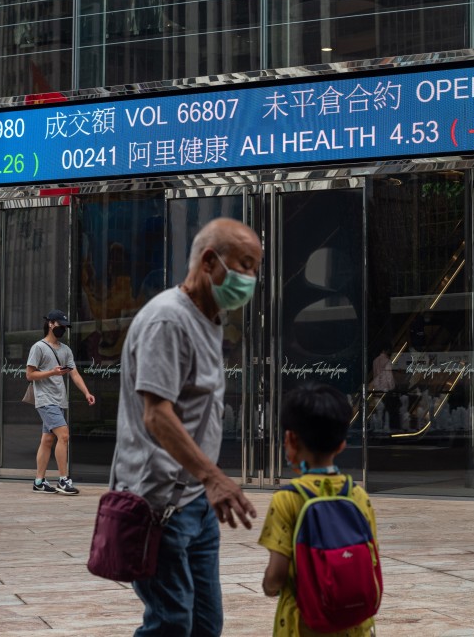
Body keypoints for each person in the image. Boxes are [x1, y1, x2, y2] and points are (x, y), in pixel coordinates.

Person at [114, 217, 261, 637]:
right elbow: (156, 414)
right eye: (246, 265)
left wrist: (204, 485)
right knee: (171, 622)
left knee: (204, 623)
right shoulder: (168, 320)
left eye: (255, 268)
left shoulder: (207, 319)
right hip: (157, 505)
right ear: (210, 261)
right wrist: (213, 477)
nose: (251, 278)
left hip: (193, 503)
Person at [258, 383, 378, 636]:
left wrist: (268, 586)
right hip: (355, 626)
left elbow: (277, 576)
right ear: (342, 444)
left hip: (302, 625)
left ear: (290, 439)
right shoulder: (358, 496)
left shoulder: (287, 500)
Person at [26, 309, 95, 495]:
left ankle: (39, 482)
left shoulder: (65, 350)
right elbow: (29, 374)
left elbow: (74, 373)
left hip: (59, 400)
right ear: (50, 324)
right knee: (63, 435)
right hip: (45, 399)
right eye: (60, 325)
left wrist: (86, 392)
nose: (63, 329)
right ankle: (63, 480)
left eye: (65, 326)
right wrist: (52, 372)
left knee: (48, 439)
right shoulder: (38, 347)